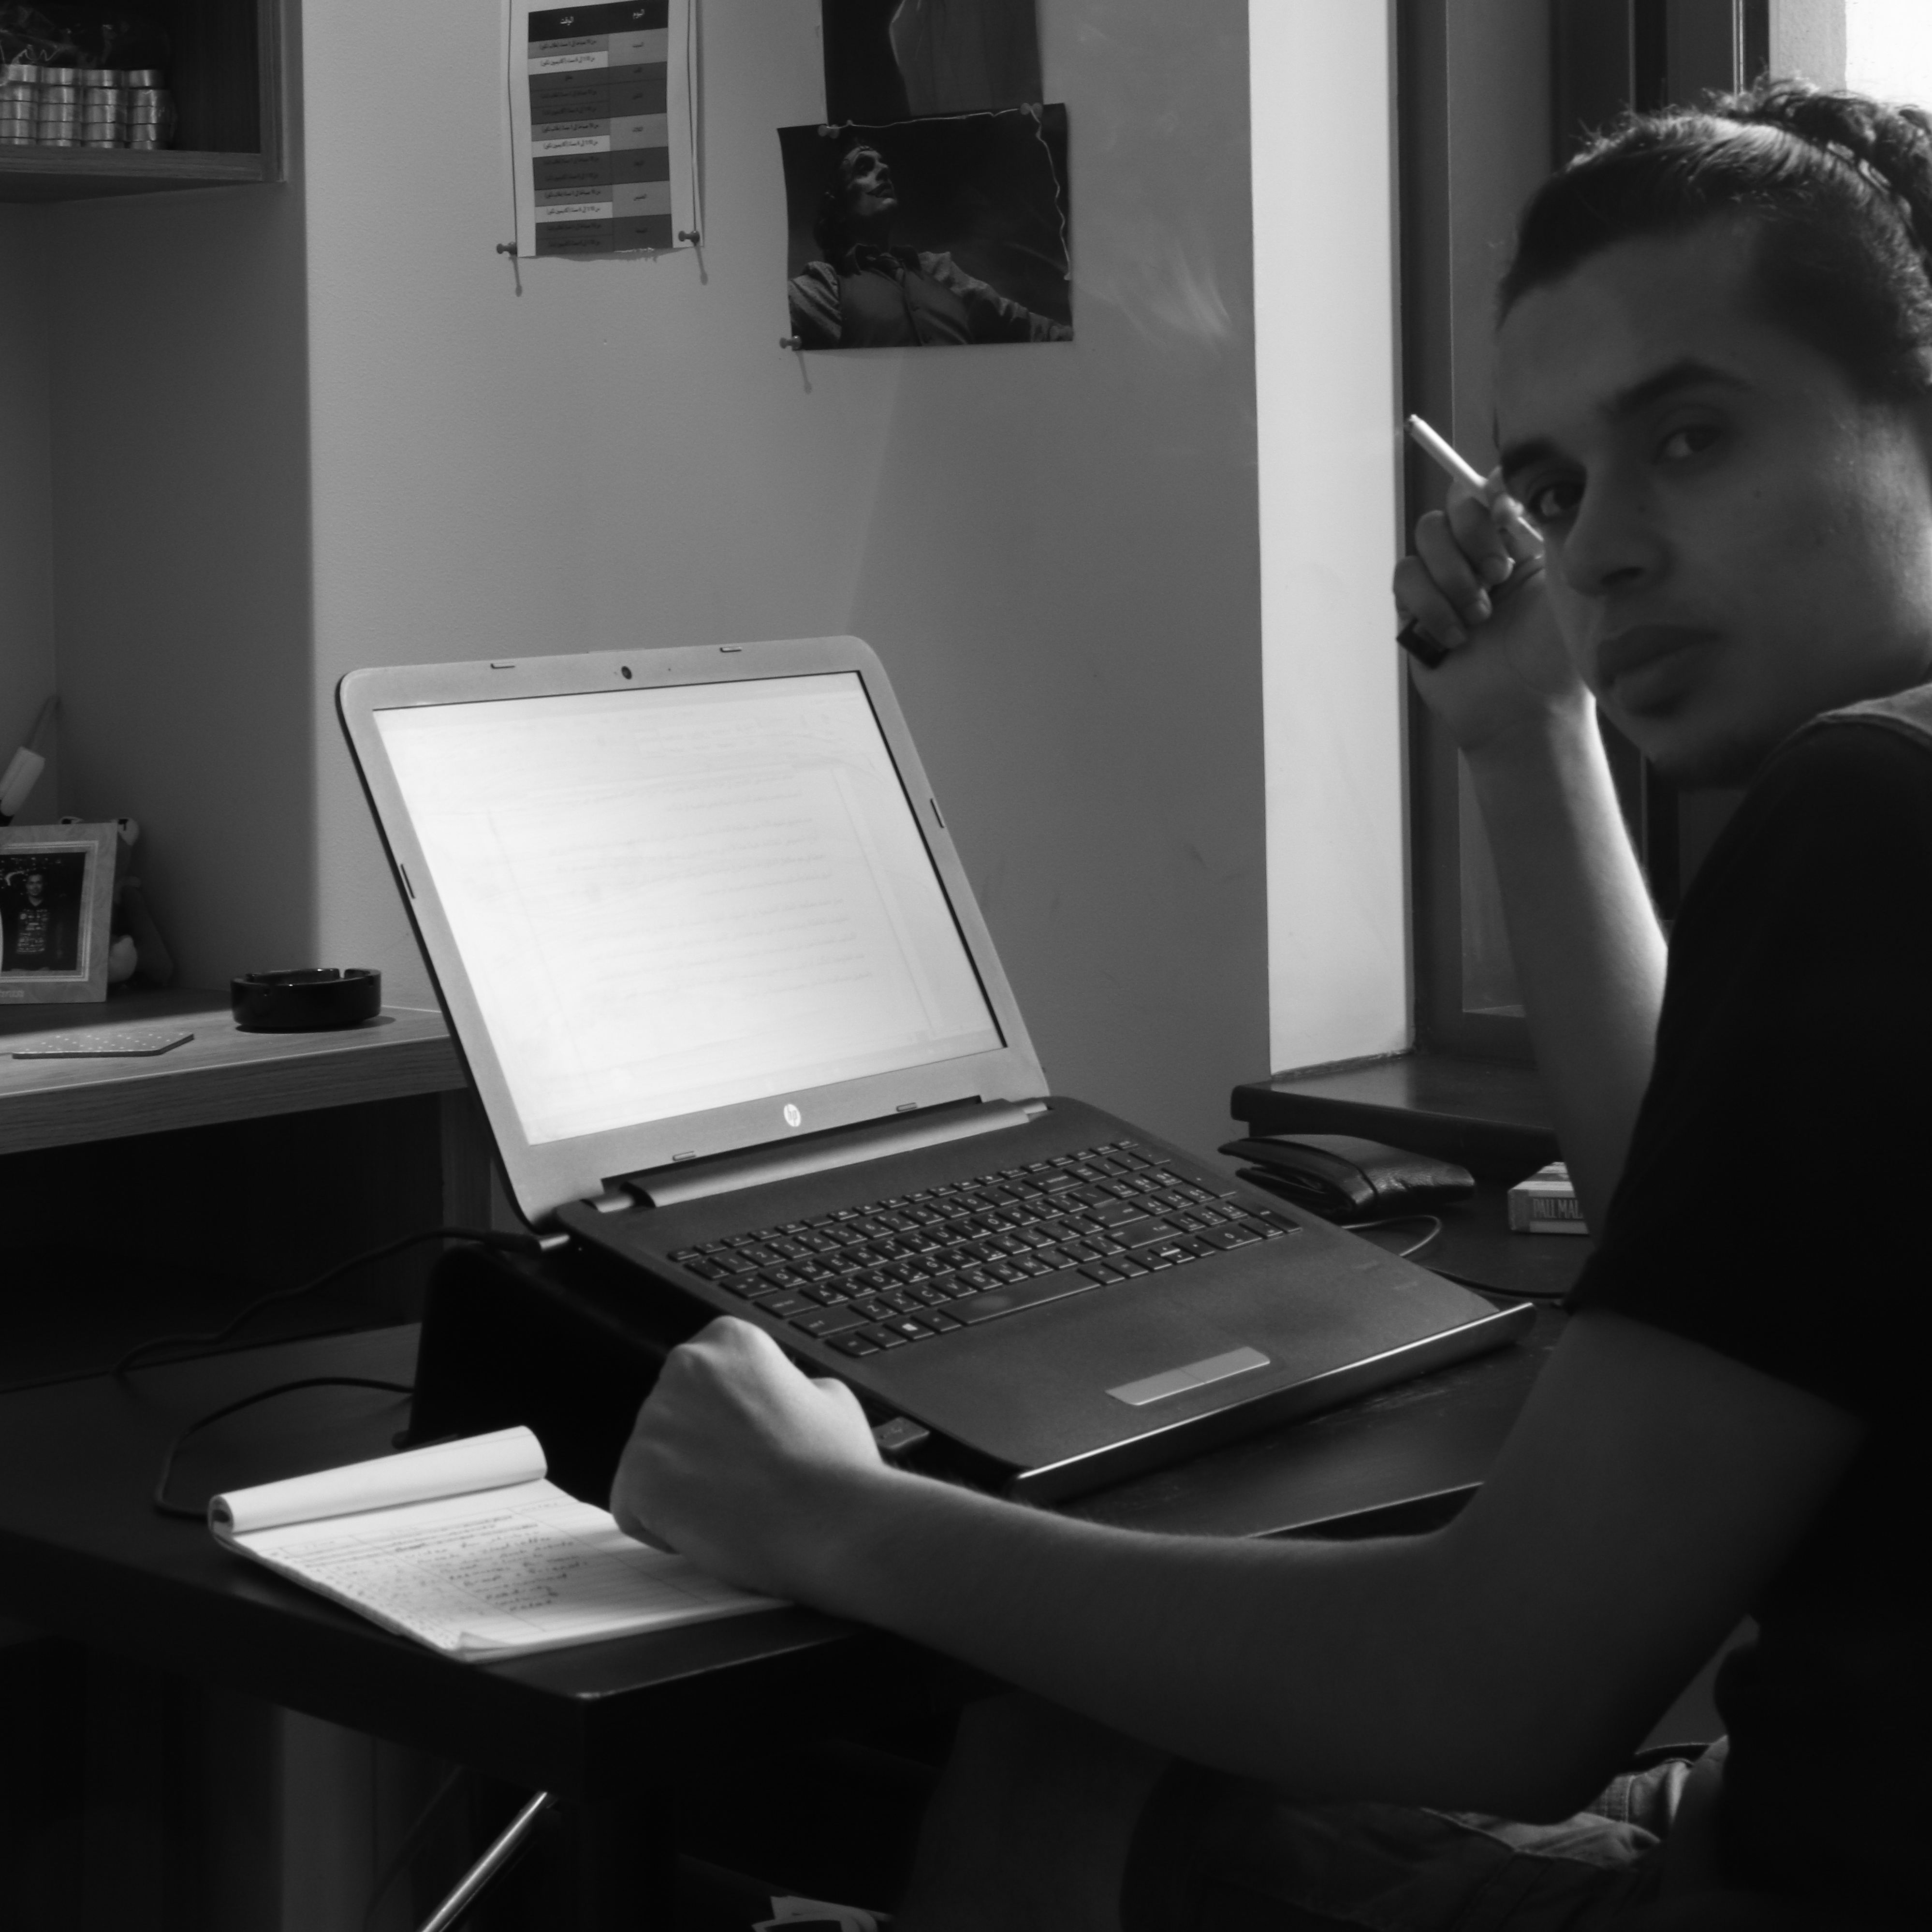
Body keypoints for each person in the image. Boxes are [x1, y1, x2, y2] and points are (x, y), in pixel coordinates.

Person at [619, 78, 1932, 1928]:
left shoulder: (1868, 808)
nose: (1597, 551)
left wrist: (823, 1512)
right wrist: (1522, 731)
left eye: (1689, 437)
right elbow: (1724, 1249)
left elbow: (1500, 1693)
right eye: (1553, 489)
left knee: (1050, 1759)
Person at [787, 140, 1073, 350]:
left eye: (882, 164)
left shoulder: (939, 271)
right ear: (837, 206)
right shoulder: (826, 287)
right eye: (864, 169)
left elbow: (1026, 326)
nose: (884, 170)